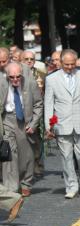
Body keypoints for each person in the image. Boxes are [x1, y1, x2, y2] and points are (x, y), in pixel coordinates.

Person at [44, 49, 80, 199]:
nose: (70, 67)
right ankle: (71, 185)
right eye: (66, 64)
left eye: (72, 64)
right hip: (61, 124)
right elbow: (49, 103)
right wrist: (48, 125)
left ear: (76, 61)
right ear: (60, 62)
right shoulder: (51, 79)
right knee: (66, 157)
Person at [0, 62, 43, 197]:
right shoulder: (1, 84)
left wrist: (34, 123)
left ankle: (25, 183)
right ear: (7, 76)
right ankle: (11, 188)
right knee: (9, 153)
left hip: (25, 121)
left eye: (18, 76)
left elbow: (38, 104)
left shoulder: (30, 83)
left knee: (26, 155)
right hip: (7, 120)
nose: (15, 80)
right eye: (11, 77)